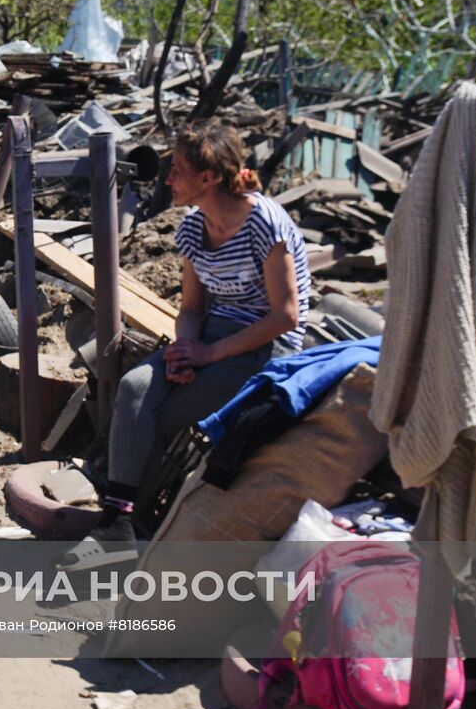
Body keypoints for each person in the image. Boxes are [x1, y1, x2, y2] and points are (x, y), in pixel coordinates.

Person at [91, 123, 311, 541]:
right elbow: (191, 307)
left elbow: (286, 316)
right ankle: (118, 523)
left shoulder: (265, 223)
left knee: (158, 417)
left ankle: (129, 521)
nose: (167, 178)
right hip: (212, 333)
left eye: (176, 169)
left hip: (266, 345)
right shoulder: (193, 227)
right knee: (137, 389)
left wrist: (209, 356)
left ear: (208, 178)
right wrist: (184, 348)